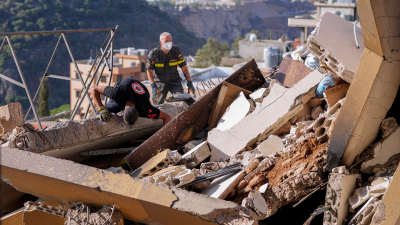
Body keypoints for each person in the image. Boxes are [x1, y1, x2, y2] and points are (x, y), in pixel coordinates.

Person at [90, 77, 171, 126]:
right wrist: (101, 109)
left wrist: (161, 136)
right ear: (122, 113)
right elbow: (93, 89)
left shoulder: (146, 108)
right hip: (126, 85)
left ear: (139, 114)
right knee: (100, 114)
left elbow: (167, 117)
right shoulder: (116, 93)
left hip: (140, 90)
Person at [147, 32, 195, 104]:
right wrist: (153, 86)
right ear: (160, 42)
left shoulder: (176, 52)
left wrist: (190, 83)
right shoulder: (154, 54)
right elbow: (149, 71)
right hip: (160, 82)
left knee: (181, 99)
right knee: (158, 104)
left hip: (174, 81)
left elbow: (184, 68)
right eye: (166, 41)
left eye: (170, 41)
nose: (169, 43)